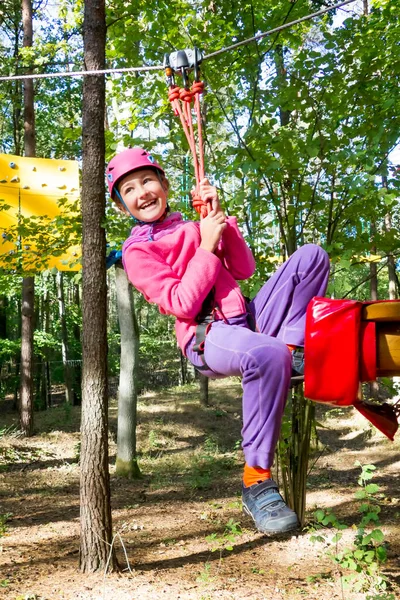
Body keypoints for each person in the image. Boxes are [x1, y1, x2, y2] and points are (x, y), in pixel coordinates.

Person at [106, 147, 330, 535]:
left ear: (165, 185)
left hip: (247, 319)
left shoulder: (195, 226)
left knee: (310, 257)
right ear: (123, 205)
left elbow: (243, 269)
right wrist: (207, 245)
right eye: (129, 189)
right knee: (265, 352)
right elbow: (182, 303)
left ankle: (293, 352)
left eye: (147, 181)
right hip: (206, 335)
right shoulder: (138, 252)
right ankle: (256, 480)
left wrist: (221, 222)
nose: (141, 192)